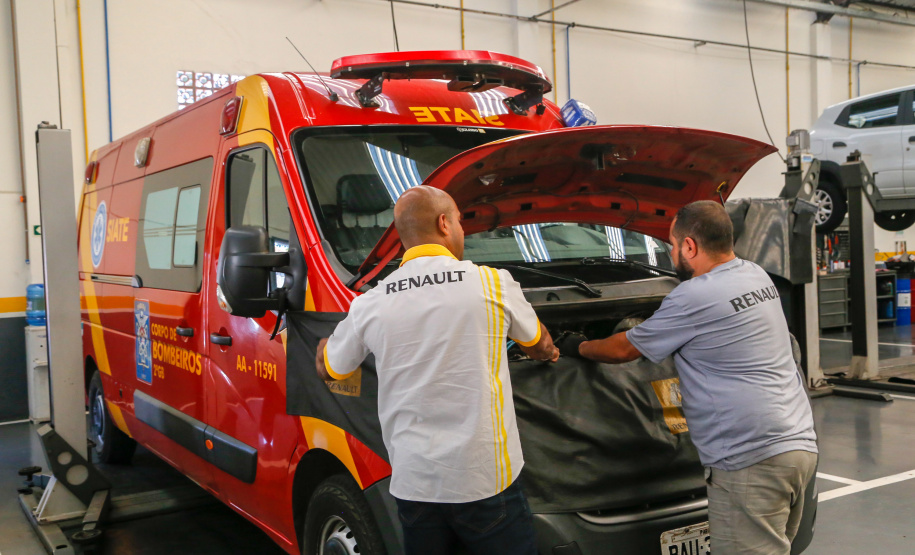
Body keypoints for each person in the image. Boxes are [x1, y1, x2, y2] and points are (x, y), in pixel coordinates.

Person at [556, 200, 818, 555]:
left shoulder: (694, 294)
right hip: (797, 445)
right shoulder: (755, 274)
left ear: (690, 246)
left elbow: (623, 350)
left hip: (750, 461)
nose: (672, 253)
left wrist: (575, 346)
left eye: (672, 245)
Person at [316, 185, 559, 555]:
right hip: (484, 484)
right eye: (461, 221)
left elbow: (331, 368)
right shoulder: (492, 283)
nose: (461, 230)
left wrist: (322, 347)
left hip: (415, 487)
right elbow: (538, 344)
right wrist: (551, 349)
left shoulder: (371, 303)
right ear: (444, 223)